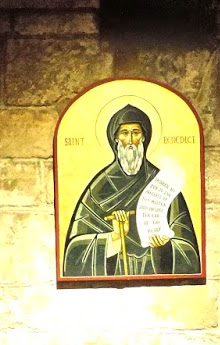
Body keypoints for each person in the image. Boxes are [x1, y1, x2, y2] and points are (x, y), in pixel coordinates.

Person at [62, 104, 200, 277]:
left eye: (135, 133)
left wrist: (165, 247)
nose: (130, 140)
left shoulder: (163, 183)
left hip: (154, 278)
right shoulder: (99, 187)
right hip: (116, 271)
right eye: (124, 133)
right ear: (116, 139)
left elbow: (187, 247)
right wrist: (114, 238)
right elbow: (74, 252)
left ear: (143, 138)